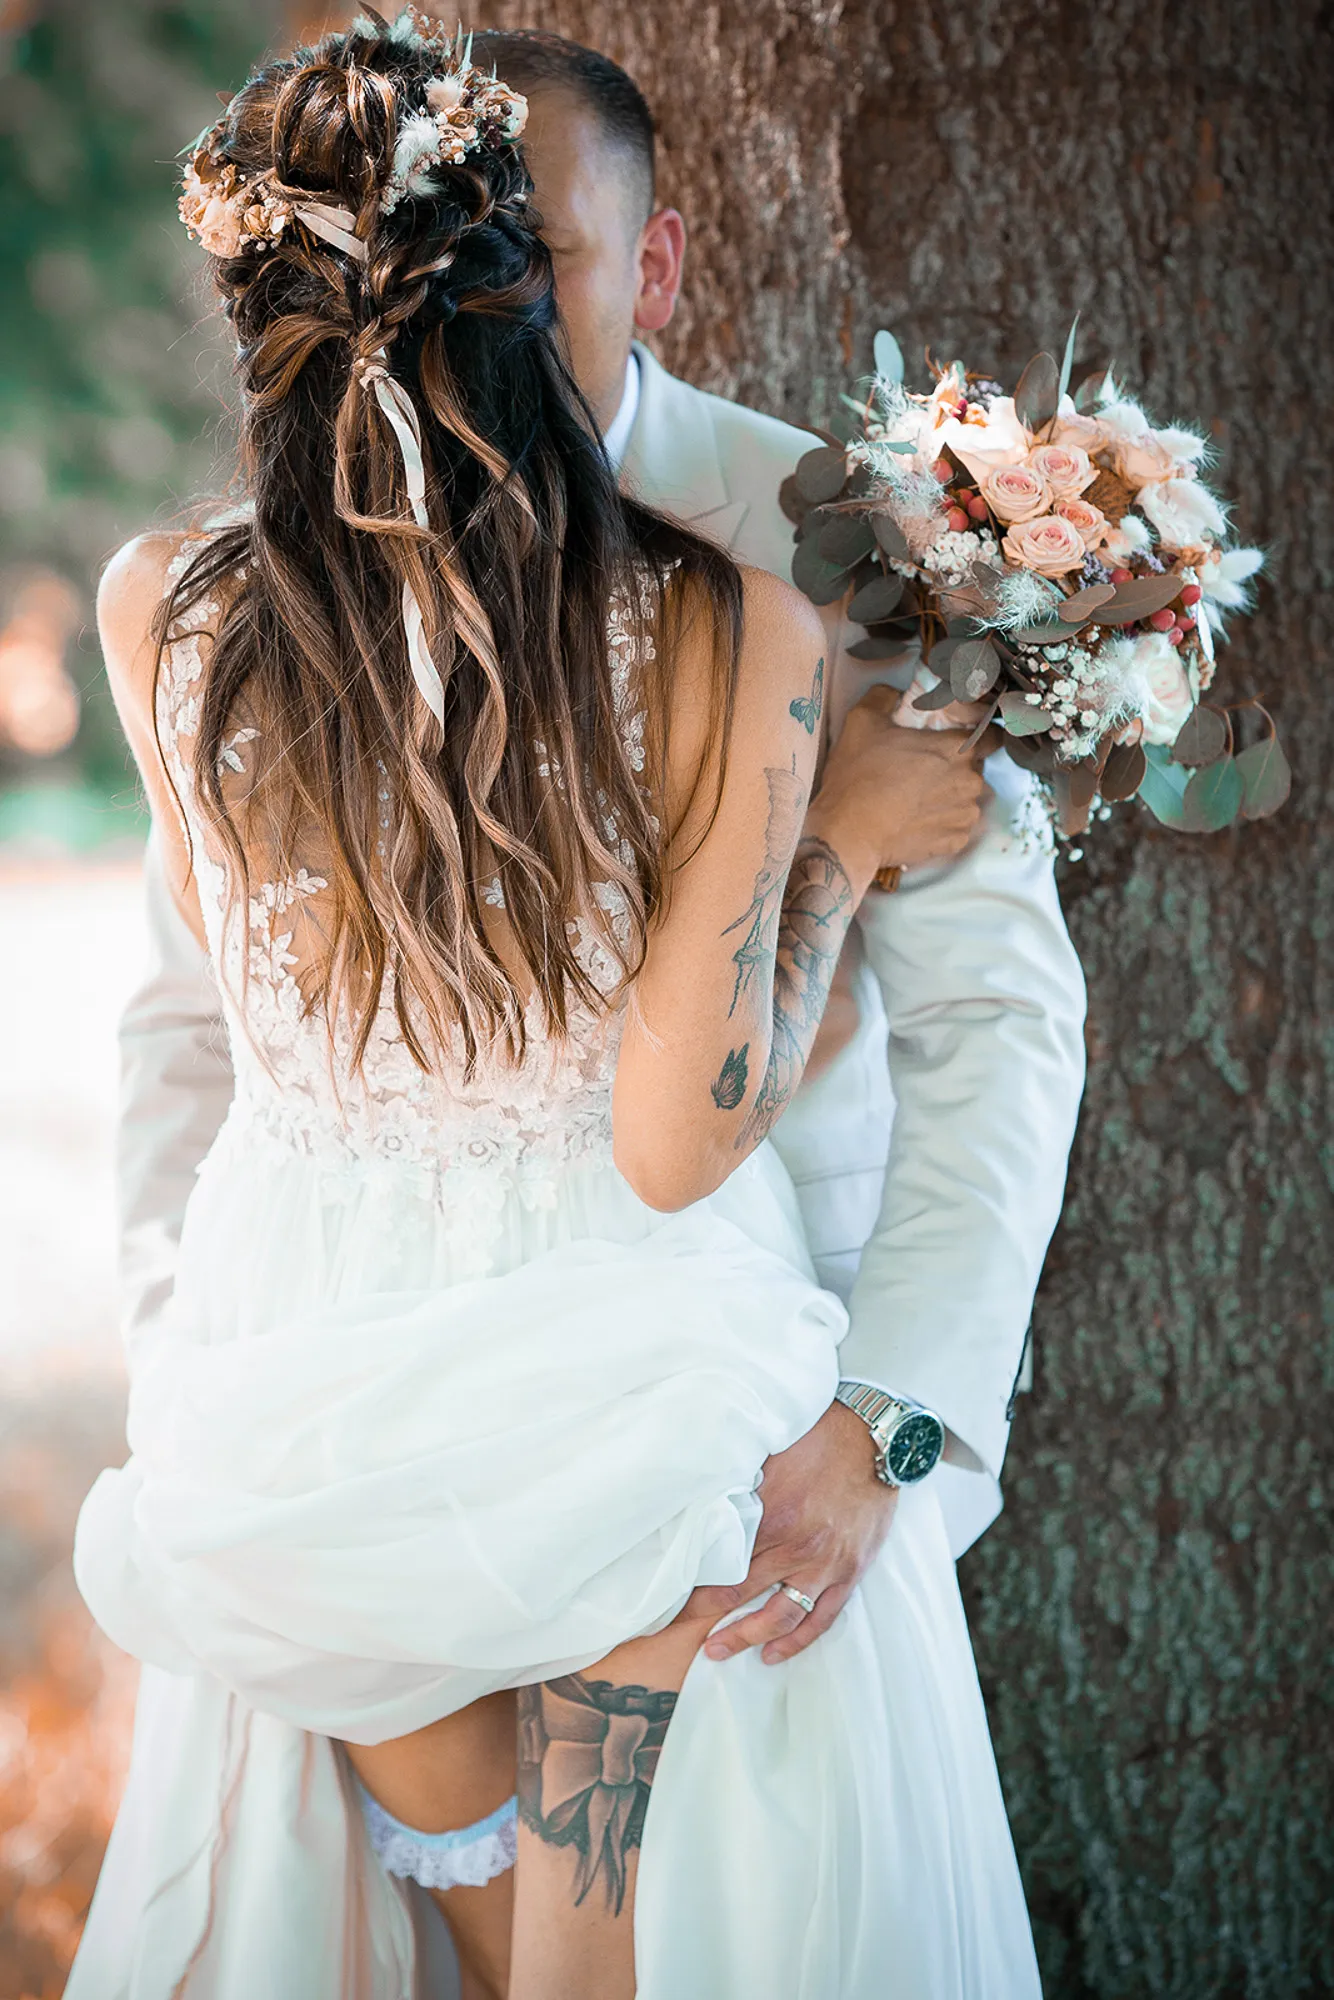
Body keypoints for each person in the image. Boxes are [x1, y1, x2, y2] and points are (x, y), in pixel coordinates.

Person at [68, 13, 1075, 1998]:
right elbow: (205, 1023)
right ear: (513, 284)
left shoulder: (169, 611)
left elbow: (998, 1029)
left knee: (530, 1932)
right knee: (605, 1943)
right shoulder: (721, 629)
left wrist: (896, 1414)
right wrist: (833, 851)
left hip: (363, 1437)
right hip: (601, 1392)